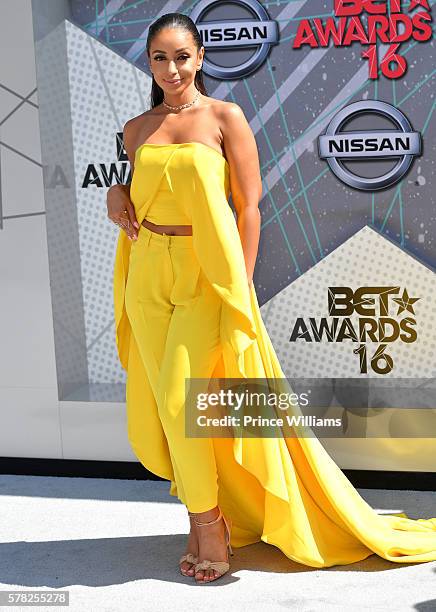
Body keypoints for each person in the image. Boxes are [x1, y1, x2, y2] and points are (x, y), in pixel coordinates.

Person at [107, 13, 436, 585]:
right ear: (150, 63)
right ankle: (208, 513)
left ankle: (208, 524)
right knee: (162, 406)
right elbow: (139, 188)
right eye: (160, 57)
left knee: (191, 406)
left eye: (182, 55)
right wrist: (116, 192)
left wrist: (243, 280)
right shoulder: (137, 128)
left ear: (201, 57)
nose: (172, 68)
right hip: (145, 275)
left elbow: (249, 207)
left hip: (208, 275)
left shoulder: (224, 117)